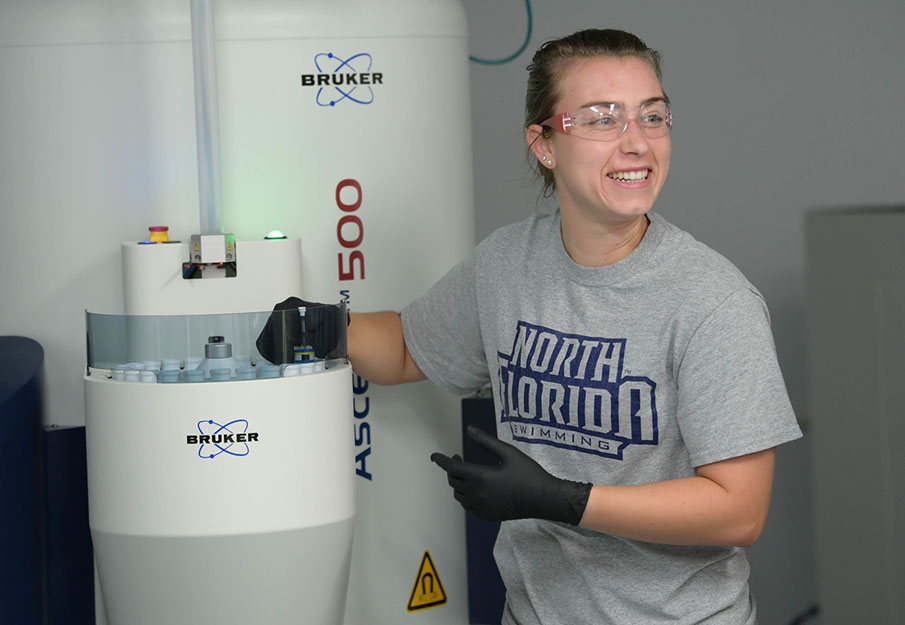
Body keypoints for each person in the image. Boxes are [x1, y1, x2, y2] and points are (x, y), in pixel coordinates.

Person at [271, 28, 802, 625]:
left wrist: (562, 501)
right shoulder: (506, 265)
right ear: (544, 144)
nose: (637, 144)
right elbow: (404, 347)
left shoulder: (712, 301)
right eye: (603, 119)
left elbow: (739, 511)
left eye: (652, 117)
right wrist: (324, 325)